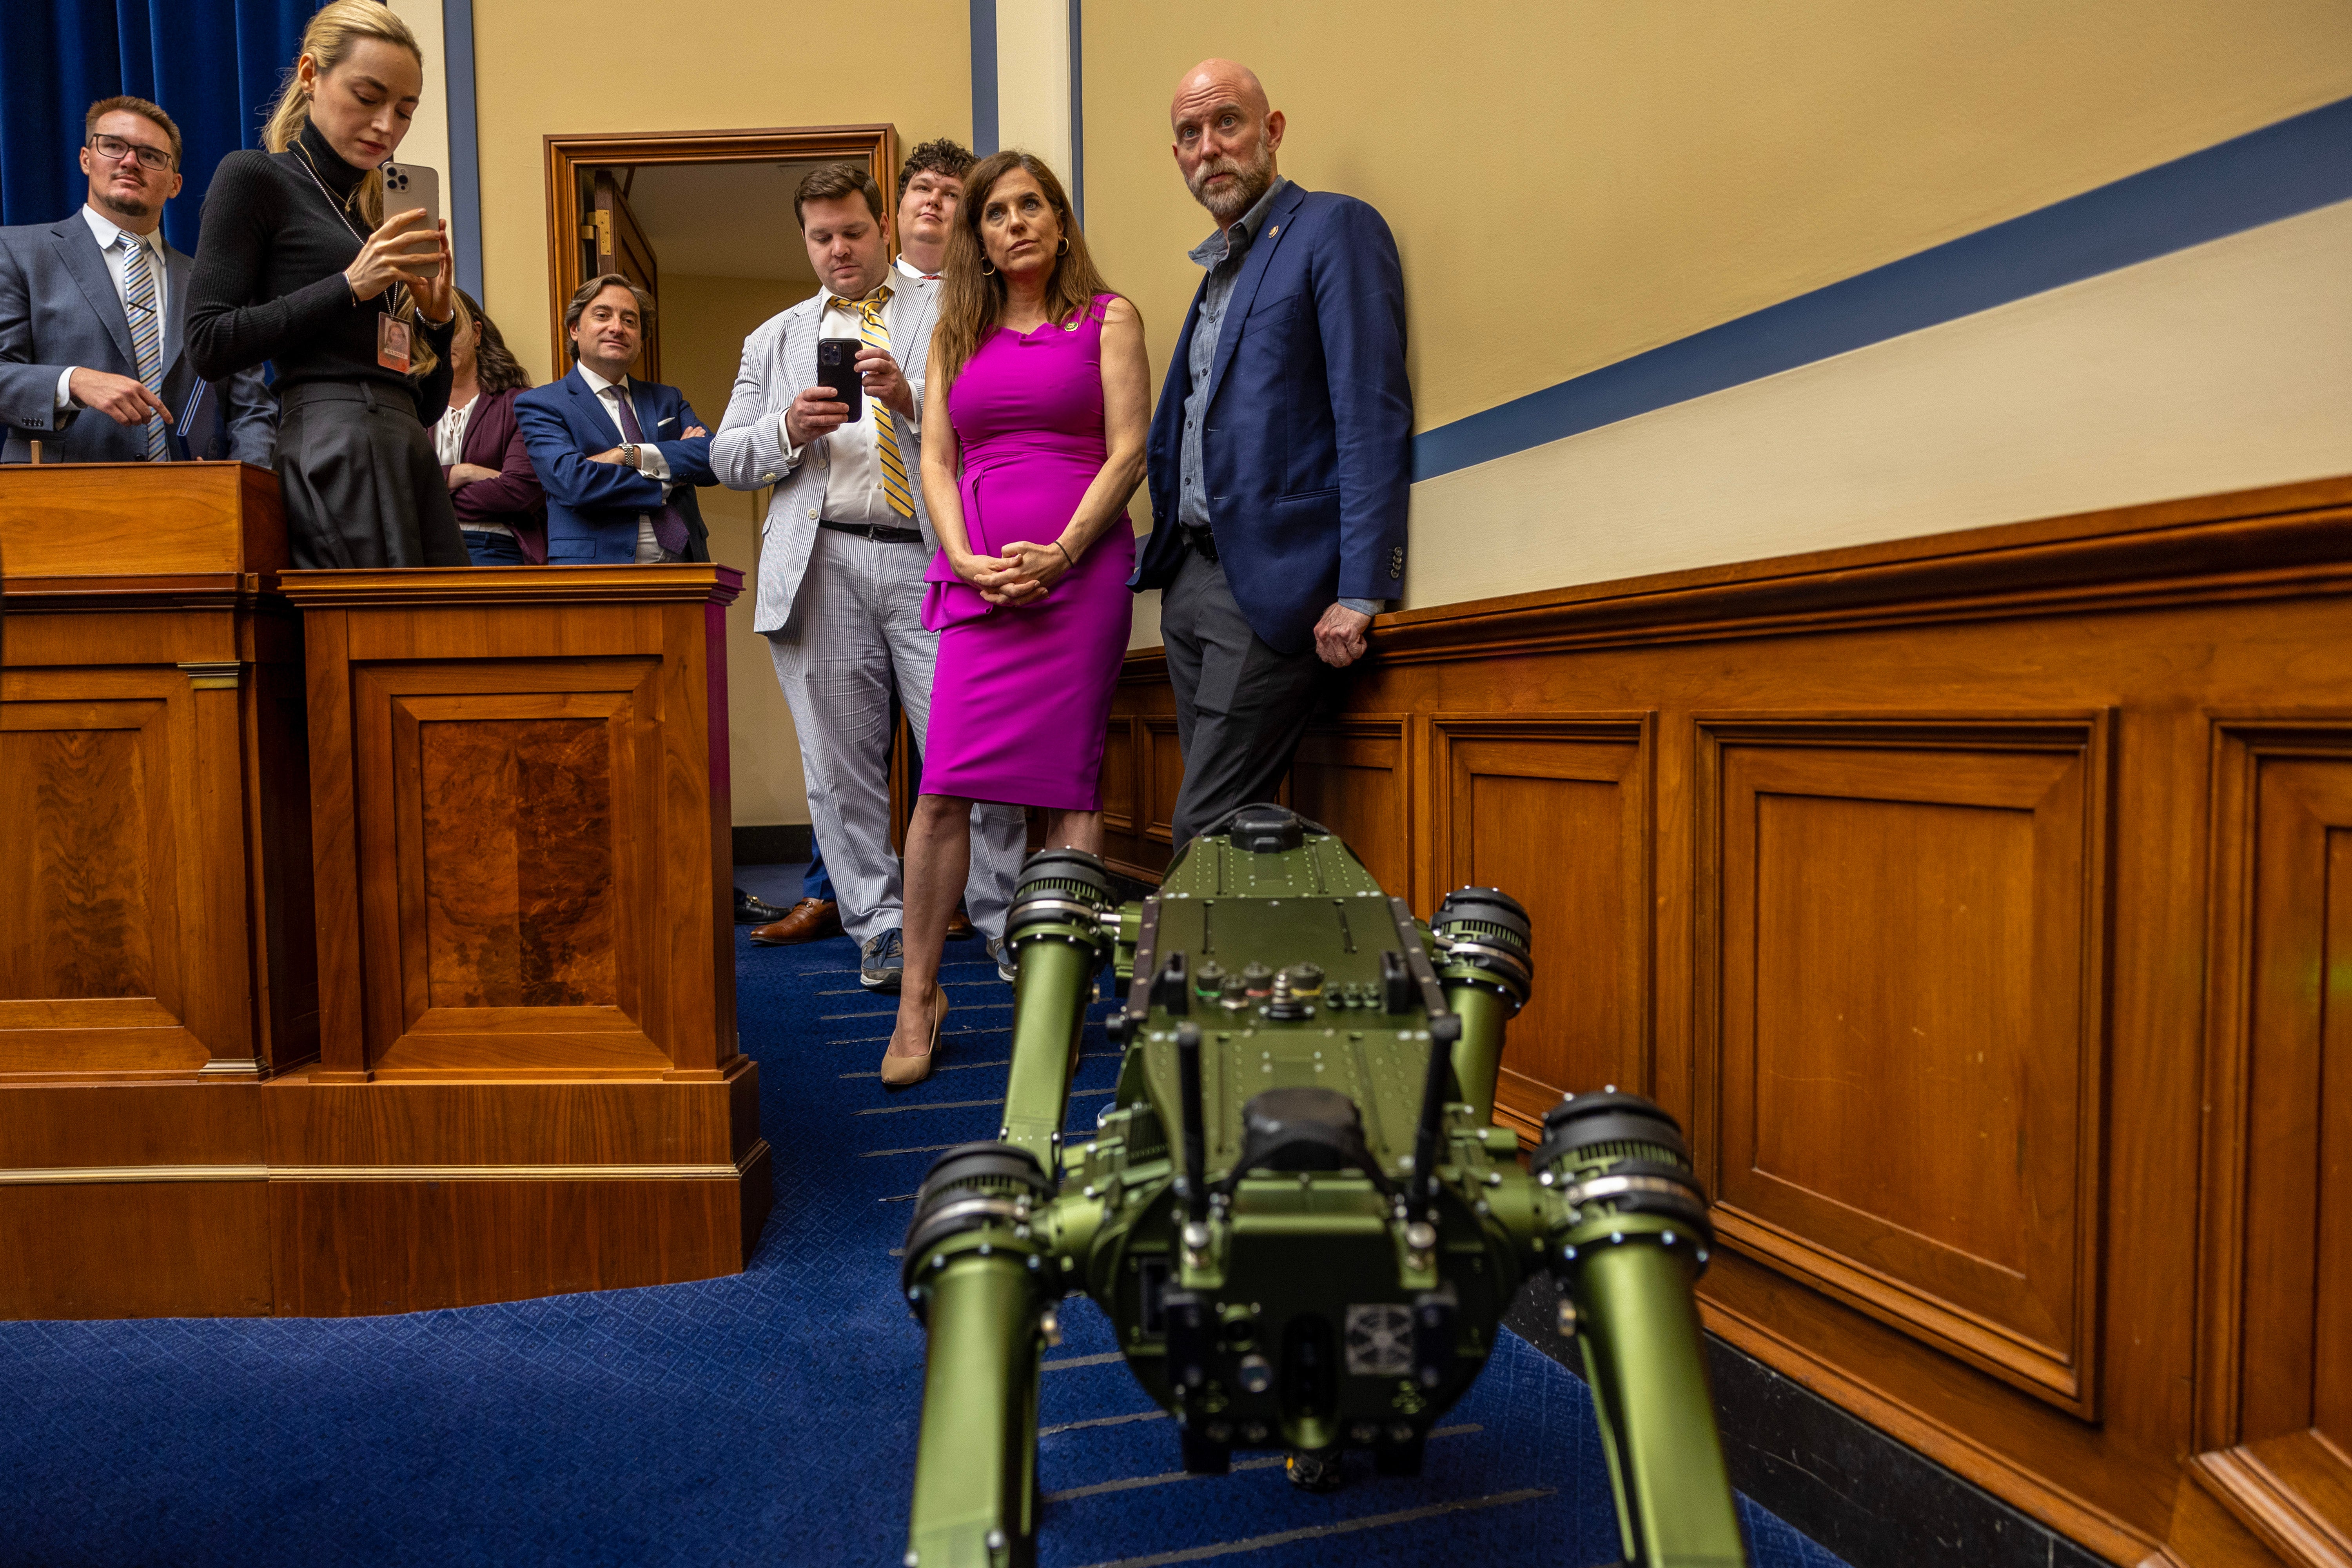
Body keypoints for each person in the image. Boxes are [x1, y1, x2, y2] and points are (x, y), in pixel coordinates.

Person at [711, 163, 1025, 994]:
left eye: (853, 231)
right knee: (839, 767)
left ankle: (1004, 920)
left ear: (882, 226)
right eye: (822, 237)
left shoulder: (957, 310)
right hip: (822, 566)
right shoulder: (773, 339)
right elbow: (725, 455)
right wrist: (786, 427)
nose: (840, 249)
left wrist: (915, 397)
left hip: (935, 556)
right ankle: (880, 927)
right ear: (805, 241)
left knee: (971, 750)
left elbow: (997, 411)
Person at [882, 152, 1147, 1085]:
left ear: (1060, 221)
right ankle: (920, 994)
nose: (1017, 223)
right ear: (979, 239)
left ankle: (1056, 993)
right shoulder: (957, 330)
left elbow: (1128, 454)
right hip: (979, 580)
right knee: (944, 784)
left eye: (1032, 206)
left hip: (1078, 580)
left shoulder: (1109, 318)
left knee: (1068, 794)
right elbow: (940, 462)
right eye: (997, 213)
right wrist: (958, 557)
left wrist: (1066, 551)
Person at [1129, 60, 1412, 843]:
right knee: (1235, 832)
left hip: (1275, 586)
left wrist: (1364, 587)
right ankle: (1256, 974)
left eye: (1228, 123)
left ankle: (1190, 973)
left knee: (1203, 826)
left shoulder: (1333, 228)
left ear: (1273, 130)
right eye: (1190, 134)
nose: (1209, 148)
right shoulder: (1220, 269)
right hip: (1191, 581)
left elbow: (1371, 411)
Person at [185, 0, 466, 568]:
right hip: (332, 442)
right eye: (368, 98)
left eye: (406, 110)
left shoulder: (380, 208)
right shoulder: (255, 177)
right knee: (372, 643)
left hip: (406, 443)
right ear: (311, 76)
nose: (387, 126)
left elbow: (428, 406)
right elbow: (209, 343)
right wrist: (349, 285)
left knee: (444, 644)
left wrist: (436, 324)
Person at [0, 96, 274, 466]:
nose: (130, 161)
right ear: (86, 159)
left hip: (194, 508)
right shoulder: (15, 252)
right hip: (60, 506)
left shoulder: (217, 284)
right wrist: (73, 382)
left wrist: (242, 486)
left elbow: (253, 411)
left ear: (175, 183)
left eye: (151, 155)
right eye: (113, 146)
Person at [515, 274, 713, 564]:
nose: (617, 328)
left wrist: (627, 455)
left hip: (686, 569)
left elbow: (711, 459)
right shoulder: (542, 404)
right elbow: (574, 483)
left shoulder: (667, 399)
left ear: (641, 341)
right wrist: (667, 479)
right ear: (575, 329)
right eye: (602, 315)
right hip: (595, 574)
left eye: (630, 321)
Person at [437, 289, 544, 564]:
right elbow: (397, 493)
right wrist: (464, 473)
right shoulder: (408, 406)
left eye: (451, 327)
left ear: (476, 333)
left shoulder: (521, 403)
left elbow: (520, 493)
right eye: (431, 330)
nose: (441, 341)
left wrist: (430, 495)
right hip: (419, 550)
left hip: (495, 546)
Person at [893, 138, 973, 283]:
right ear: (900, 206)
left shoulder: (995, 299)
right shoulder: (865, 296)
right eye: (923, 188)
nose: (934, 200)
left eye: (952, 195)